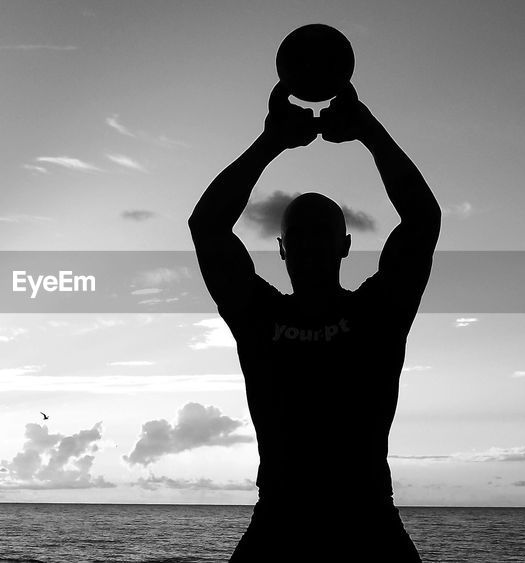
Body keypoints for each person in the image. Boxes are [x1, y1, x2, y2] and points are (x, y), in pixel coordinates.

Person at [188, 82, 439, 561]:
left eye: (320, 234)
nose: (308, 244)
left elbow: (423, 221)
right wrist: (270, 142)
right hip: (281, 518)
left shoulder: (377, 311)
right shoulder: (260, 314)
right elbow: (206, 227)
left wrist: (369, 129)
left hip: (367, 519)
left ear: (344, 245)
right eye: (297, 236)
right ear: (282, 248)